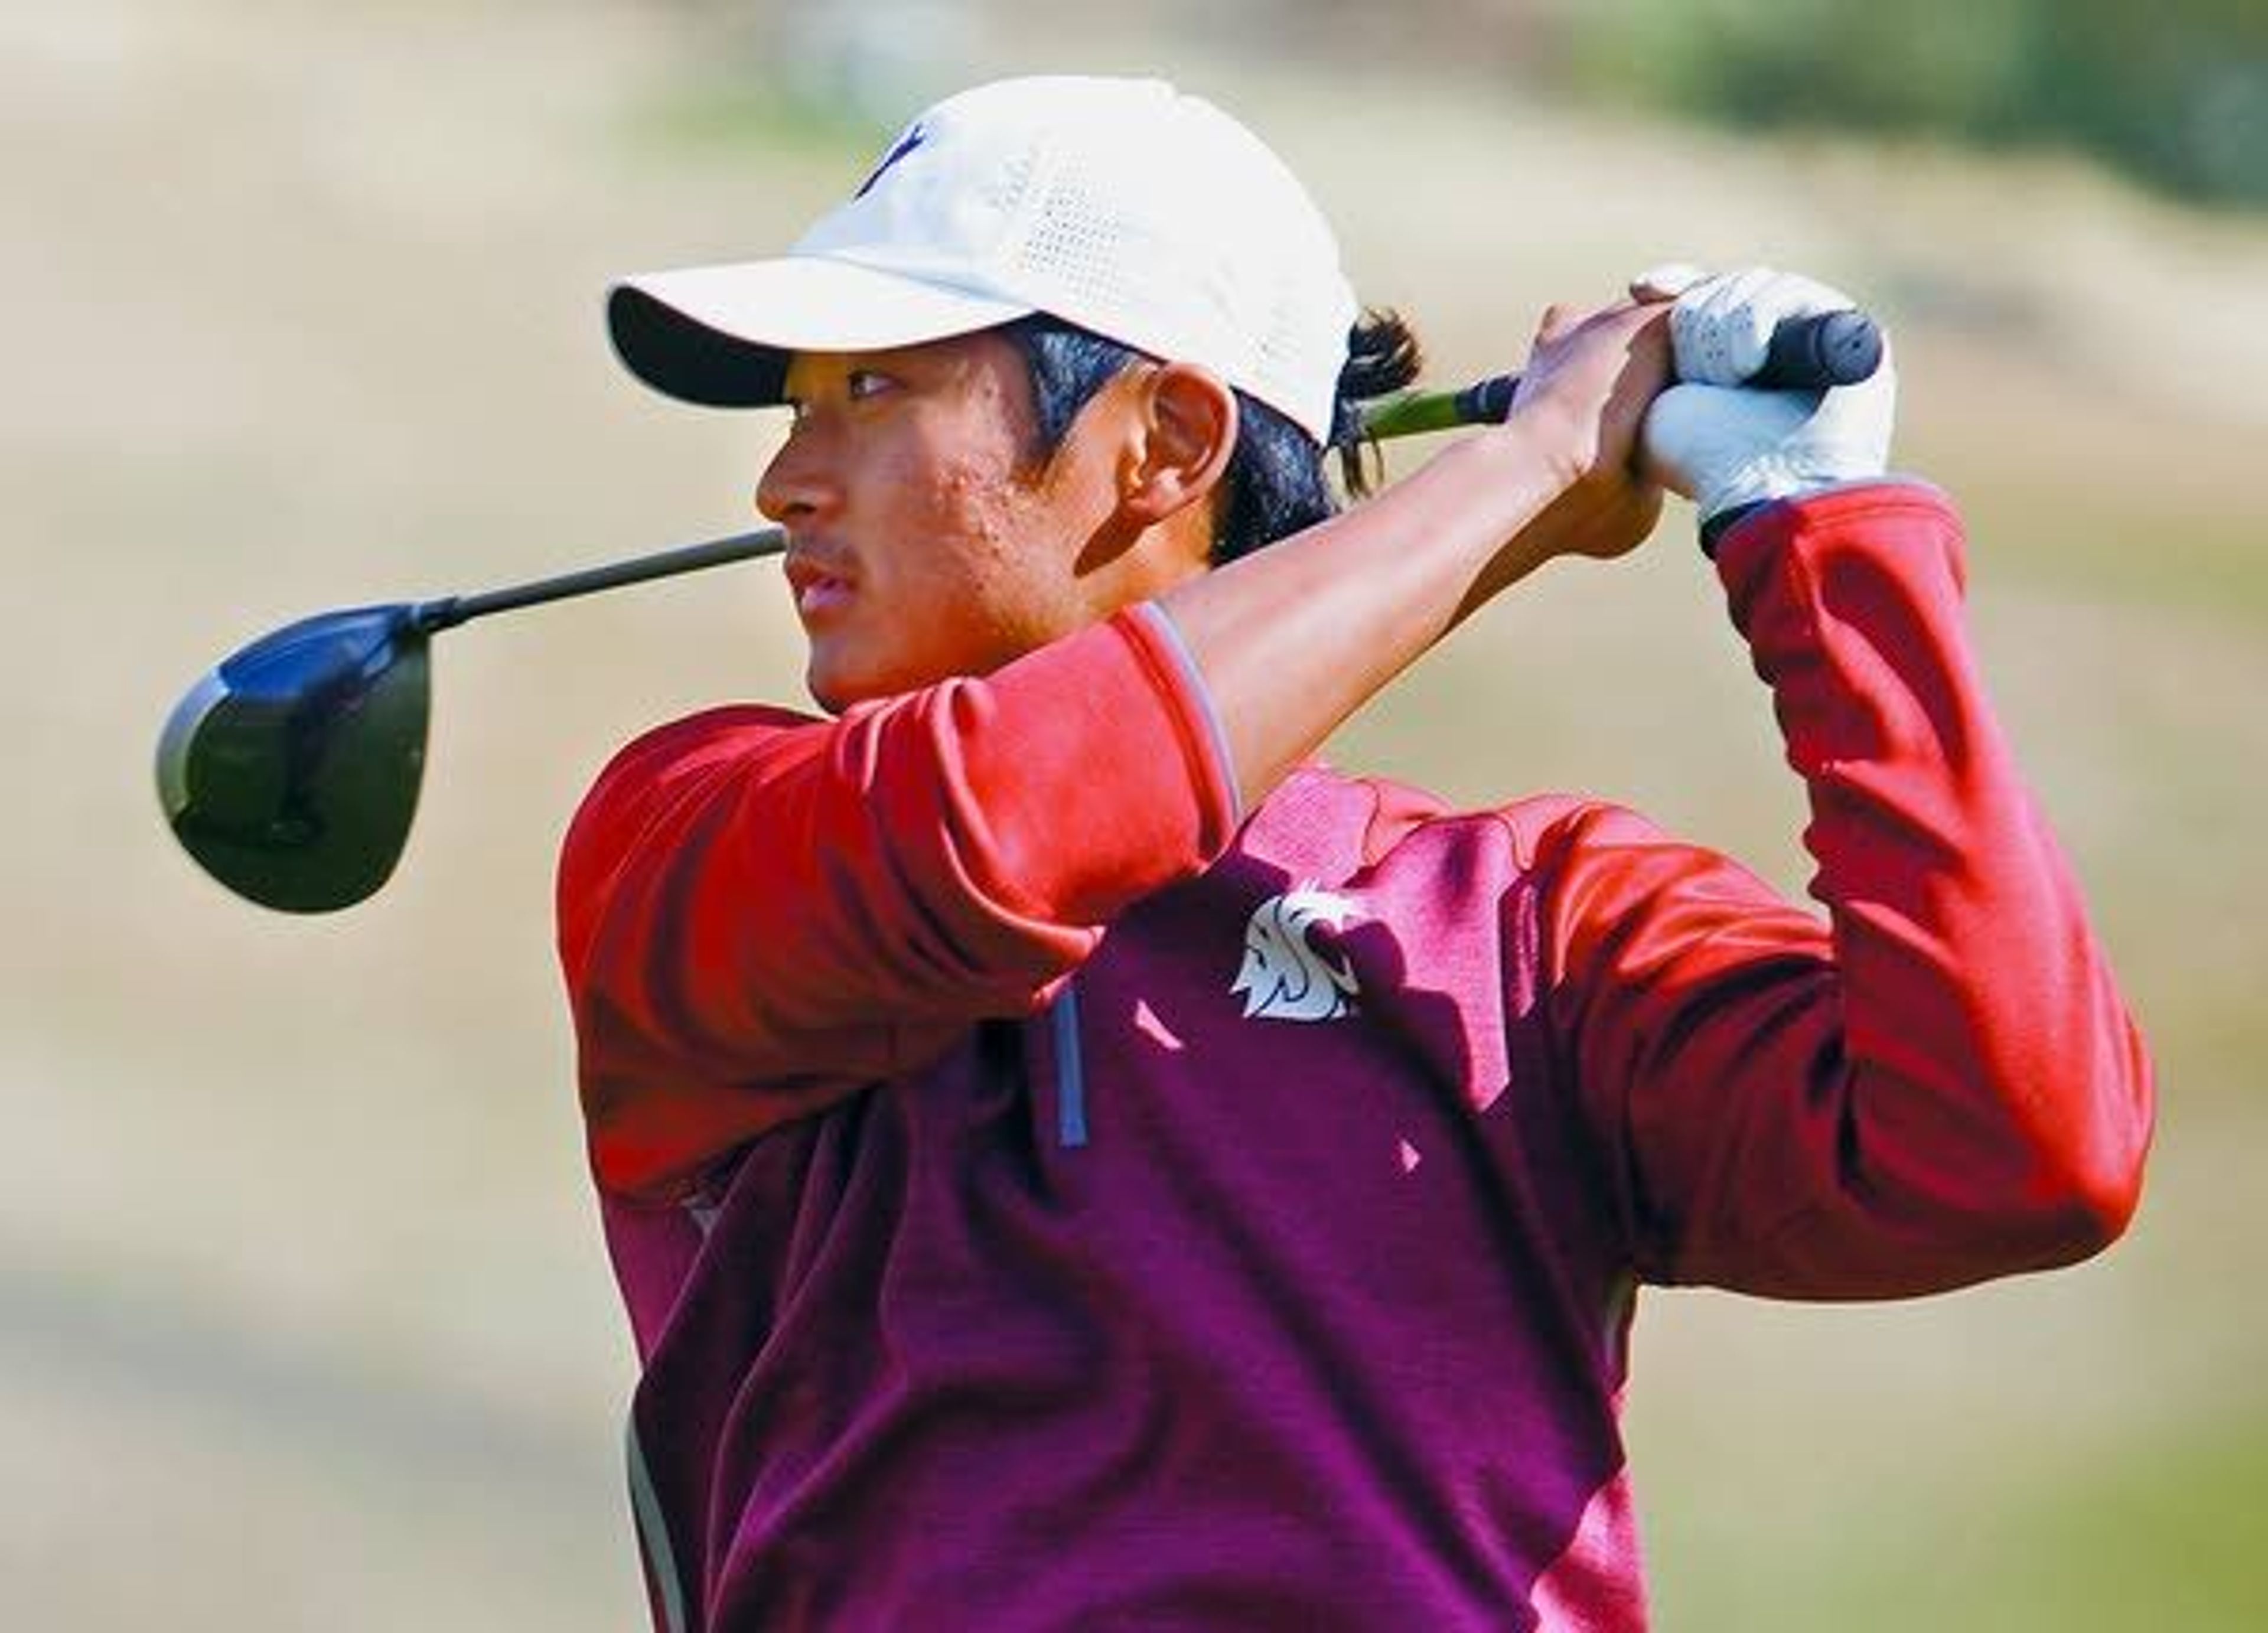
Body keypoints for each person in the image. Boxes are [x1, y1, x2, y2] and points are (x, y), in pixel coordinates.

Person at [558, 74, 2153, 1632]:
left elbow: (2016, 1149)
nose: (784, 484)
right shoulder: (690, 832)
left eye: (874, 389)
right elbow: (1007, 819)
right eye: (799, 406)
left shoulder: (1526, 932)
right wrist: (1527, 470)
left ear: (1168, 443)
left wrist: (1815, 522)